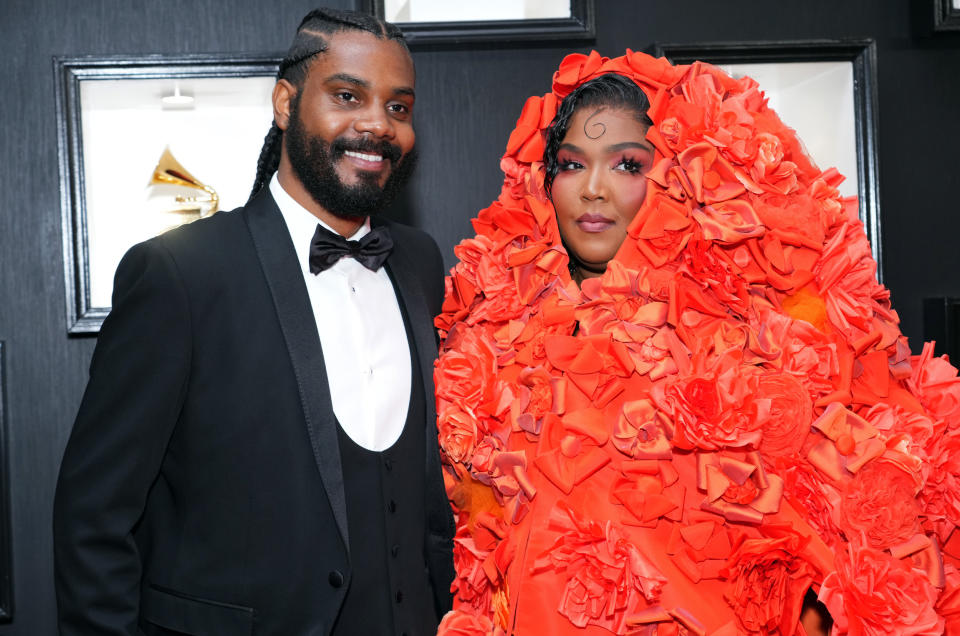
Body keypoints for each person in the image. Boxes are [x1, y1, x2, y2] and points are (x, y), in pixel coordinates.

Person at [434, 51, 960, 635]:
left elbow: (828, 514)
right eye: (571, 163)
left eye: (627, 165)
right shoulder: (495, 324)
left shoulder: (738, 328)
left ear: (676, 175)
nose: (593, 190)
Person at [53, 8, 453, 636]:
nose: (377, 123)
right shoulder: (178, 275)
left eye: (398, 108)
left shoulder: (423, 265)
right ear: (286, 103)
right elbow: (93, 522)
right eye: (348, 96)